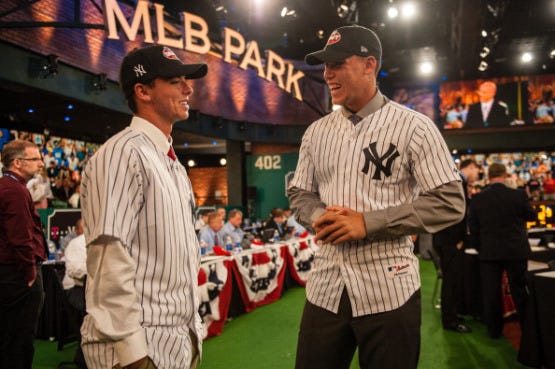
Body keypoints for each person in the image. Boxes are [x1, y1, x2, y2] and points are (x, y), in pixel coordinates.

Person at [288, 25, 465, 369]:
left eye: (338, 63)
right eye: (325, 66)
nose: (327, 73)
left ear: (369, 65)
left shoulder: (415, 126)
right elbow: (300, 193)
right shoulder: (316, 132)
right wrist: (318, 216)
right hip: (326, 286)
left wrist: (368, 223)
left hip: (390, 288)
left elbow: (449, 201)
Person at [80, 45, 207, 369]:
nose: (188, 89)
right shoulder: (122, 153)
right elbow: (108, 259)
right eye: (175, 81)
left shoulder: (172, 163)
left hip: (176, 339)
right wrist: (133, 354)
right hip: (137, 348)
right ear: (143, 91)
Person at [469, 163, 536, 339]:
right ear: (505, 175)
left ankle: (494, 331)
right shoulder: (518, 195)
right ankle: (527, 328)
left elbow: (474, 230)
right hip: (516, 251)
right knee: (520, 290)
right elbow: (532, 216)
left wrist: (480, 248)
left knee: (491, 293)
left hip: (489, 252)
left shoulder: (477, 199)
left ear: (489, 176)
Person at [0, 139, 49, 369]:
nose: (41, 163)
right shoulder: (15, 190)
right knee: (20, 341)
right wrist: (30, 274)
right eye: (35, 159)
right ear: (18, 163)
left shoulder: (9, 187)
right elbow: (20, 237)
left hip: (12, 274)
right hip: (19, 277)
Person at [432, 159, 480, 333]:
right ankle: (450, 320)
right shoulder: (455, 181)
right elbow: (452, 212)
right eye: (477, 170)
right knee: (451, 283)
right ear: (471, 167)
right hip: (450, 241)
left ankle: (452, 314)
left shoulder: (459, 181)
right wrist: (458, 240)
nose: (478, 175)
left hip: (449, 240)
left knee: (454, 281)